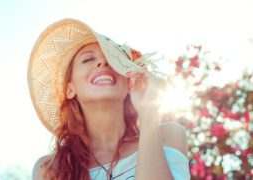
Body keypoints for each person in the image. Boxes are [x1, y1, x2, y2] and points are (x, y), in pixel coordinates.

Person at [28, 18, 190, 180]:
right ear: (70, 89)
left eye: (112, 60)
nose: (103, 62)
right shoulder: (51, 169)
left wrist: (148, 114)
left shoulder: (168, 136)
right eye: (88, 59)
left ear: (127, 81)